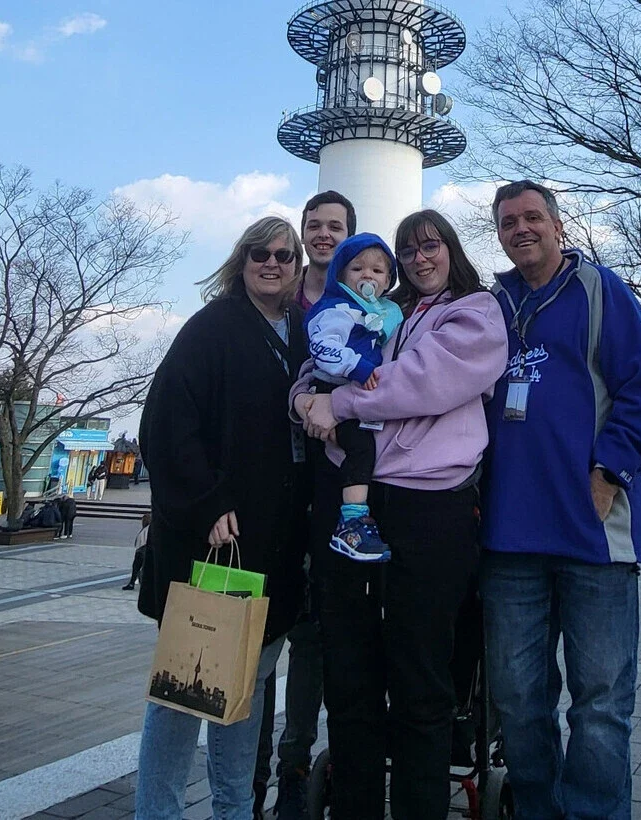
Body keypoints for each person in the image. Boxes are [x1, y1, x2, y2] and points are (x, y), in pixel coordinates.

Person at [294, 209, 507, 820]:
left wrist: (335, 402)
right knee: (351, 672)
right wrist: (304, 399)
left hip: (428, 505)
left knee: (420, 677)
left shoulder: (475, 313)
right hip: (357, 495)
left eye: (430, 246)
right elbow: (323, 363)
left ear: (451, 250)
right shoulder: (384, 310)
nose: (419, 258)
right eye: (407, 249)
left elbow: (421, 379)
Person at [479, 180, 641, 819]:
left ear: (558, 227)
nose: (521, 229)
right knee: (517, 700)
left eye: (533, 217)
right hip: (509, 539)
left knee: (599, 704)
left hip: (594, 535)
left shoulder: (601, 292)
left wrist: (607, 476)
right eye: (509, 221)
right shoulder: (491, 304)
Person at [135, 216, 311, 820]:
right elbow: (164, 425)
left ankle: (235, 809)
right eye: (261, 253)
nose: (273, 263)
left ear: (298, 267)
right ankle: (157, 811)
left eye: (285, 256)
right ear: (242, 260)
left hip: (275, 546)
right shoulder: (211, 328)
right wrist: (208, 502)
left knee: (246, 686)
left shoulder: (302, 334)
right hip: (213, 545)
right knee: (186, 688)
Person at [253, 191, 358, 820]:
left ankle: (294, 768)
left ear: (350, 235)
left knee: (315, 640)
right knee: (260, 642)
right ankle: (251, 775)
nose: (323, 236)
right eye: (314, 226)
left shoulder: (364, 305)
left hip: (332, 488)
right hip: (273, 495)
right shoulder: (279, 308)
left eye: (335, 227)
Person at [304, 233, 403, 563]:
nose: (368, 276)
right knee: (360, 450)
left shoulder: (379, 311)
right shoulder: (337, 309)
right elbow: (322, 348)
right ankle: (352, 522)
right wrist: (355, 365)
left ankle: (357, 517)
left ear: (389, 280)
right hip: (332, 389)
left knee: (364, 452)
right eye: (357, 268)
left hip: (356, 393)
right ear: (340, 275)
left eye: (378, 271)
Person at [123, 512, 151, 591]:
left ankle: (133, 583)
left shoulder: (146, 529)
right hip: (143, 550)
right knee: (139, 568)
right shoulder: (148, 529)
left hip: (142, 550)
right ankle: (136, 583)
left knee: (137, 567)